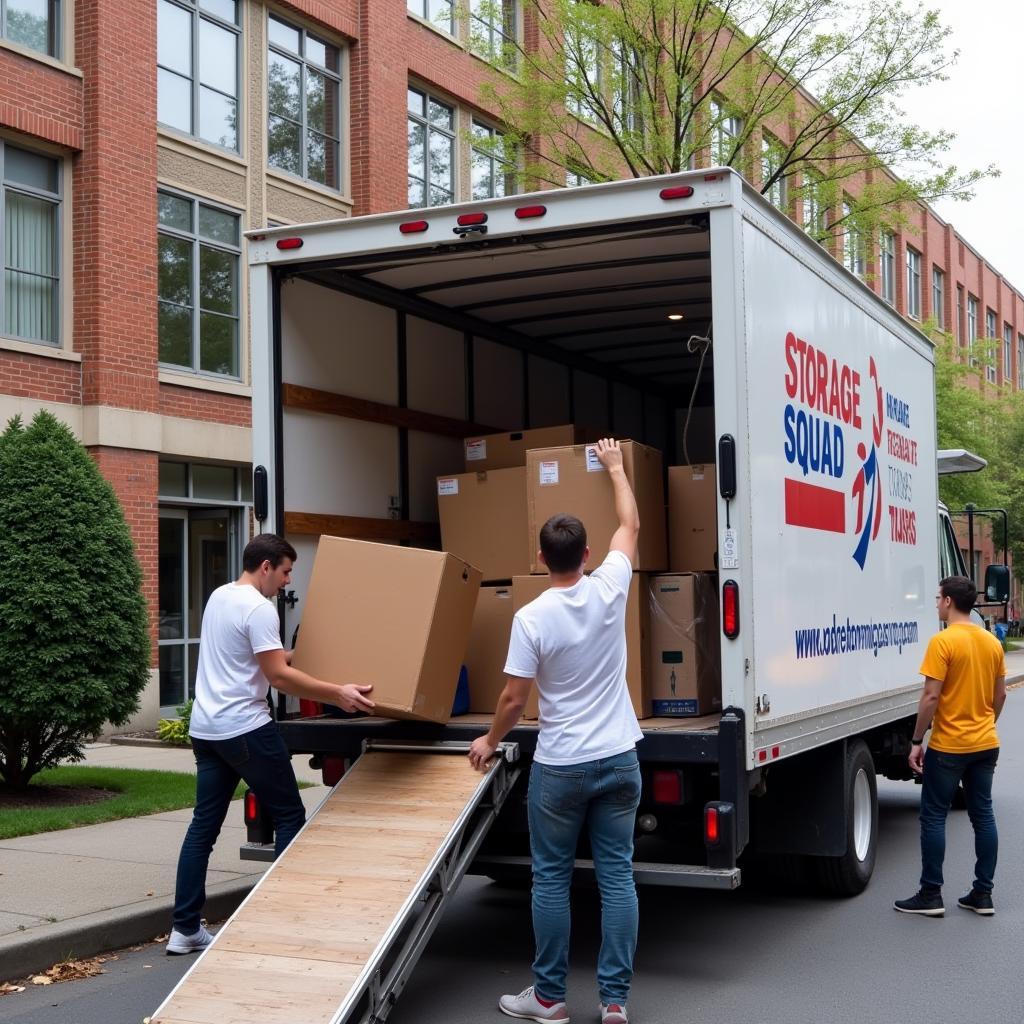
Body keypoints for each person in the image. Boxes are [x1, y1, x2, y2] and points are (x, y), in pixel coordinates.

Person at [469, 438, 642, 1024]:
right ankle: (614, 1002)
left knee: (551, 880)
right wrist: (616, 468)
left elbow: (514, 698)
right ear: (587, 554)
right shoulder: (610, 585)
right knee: (617, 876)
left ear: (539, 559)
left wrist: (490, 741)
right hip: (620, 757)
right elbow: (631, 523)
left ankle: (549, 999)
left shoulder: (531, 617)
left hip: (562, 764)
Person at [167, 534, 374, 955]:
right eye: (285, 571)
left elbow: (259, 657)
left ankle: (184, 929)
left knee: (202, 829)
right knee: (289, 817)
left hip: (207, 730)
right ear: (266, 567)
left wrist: (301, 654)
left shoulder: (220, 596)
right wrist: (338, 693)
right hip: (245, 730)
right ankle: (277, 922)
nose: (286, 580)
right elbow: (277, 677)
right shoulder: (260, 609)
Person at [894, 575, 1006, 918]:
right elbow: (999, 695)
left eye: (938, 597)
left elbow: (930, 695)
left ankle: (931, 895)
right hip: (985, 742)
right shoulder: (991, 643)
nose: (936, 603)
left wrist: (916, 740)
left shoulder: (943, 642)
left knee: (933, 817)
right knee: (983, 816)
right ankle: (982, 894)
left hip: (949, 746)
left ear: (947, 602)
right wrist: (986, 723)